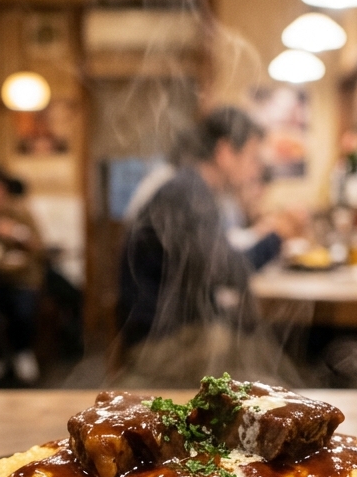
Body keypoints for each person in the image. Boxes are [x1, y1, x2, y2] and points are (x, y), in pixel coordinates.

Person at [118, 107, 275, 349]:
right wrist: (277, 238)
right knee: (264, 350)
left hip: (176, 327)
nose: (256, 170)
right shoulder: (188, 193)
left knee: (261, 339)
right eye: (252, 158)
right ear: (225, 153)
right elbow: (227, 271)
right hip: (160, 342)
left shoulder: (194, 188)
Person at [0, 165, 43, 385]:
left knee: (22, 309)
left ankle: (23, 353)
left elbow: (39, 247)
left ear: (3, 188)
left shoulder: (20, 211)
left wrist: (14, 232)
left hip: (22, 277)